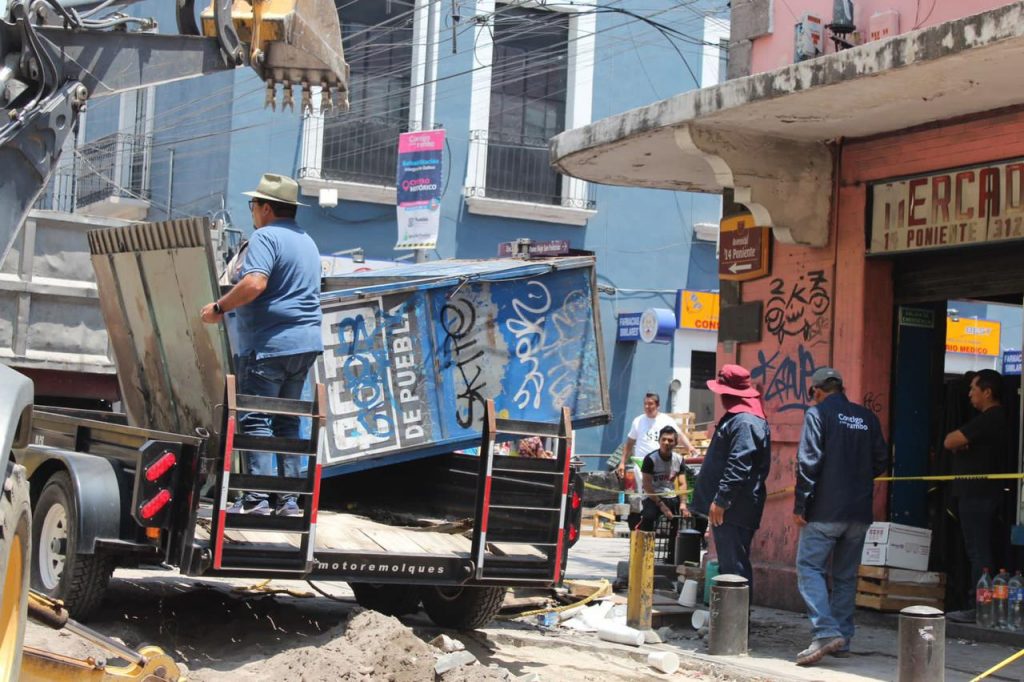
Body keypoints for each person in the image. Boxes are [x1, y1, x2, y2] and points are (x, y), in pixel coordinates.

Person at [201, 173, 323, 517]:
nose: (252, 210)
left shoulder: (265, 238)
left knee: (255, 419)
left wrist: (219, 308)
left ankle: (255, 499)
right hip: (305, 344)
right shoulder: (307, 241)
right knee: (287, 420)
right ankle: (287, 502)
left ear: (267, 208)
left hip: (270, 345)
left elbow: (254, 283)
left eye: (253, 205)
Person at [792, 367, 888, 666]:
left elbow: (808, 463)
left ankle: (824, 631)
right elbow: (882, 460)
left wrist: (800, 505)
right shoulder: (866, 417)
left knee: (809, 568)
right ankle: (842, 638)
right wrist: (857, 480)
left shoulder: (818, 414)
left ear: (817, 390)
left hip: (825, 510)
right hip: (858, 512)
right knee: (846, 577)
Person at [692, 365, 771, 599]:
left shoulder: (745, 422)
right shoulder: (741, 419)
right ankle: (732, 626)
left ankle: (735, 629)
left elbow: (739, 463)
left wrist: (722, 500)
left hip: (734, 507)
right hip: (735, 505)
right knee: (732, 565)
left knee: (734, 567)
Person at [943, 368, 1006, 623]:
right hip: (980, 495)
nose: (969, 394)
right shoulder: (990, 419)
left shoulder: (992, 418)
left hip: (979, 496)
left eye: (973, 389)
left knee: (978, 551)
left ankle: (979, 606)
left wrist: (962, 444)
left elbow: (950, 441)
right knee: (979, 548)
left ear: (987, 392)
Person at [616, 393, 696, 479]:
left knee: (660, 490)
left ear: (658, 405)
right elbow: (629, 444)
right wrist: (622, 463)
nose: (647, 406)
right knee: (643, 490)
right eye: (645, 404)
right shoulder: (638, 421)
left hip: (661, 465)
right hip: (642, 464)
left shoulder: (666, 420)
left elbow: (679, 435)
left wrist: (690, 448)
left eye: (650, 404)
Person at [637, 426, 690, 531]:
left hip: (670, 495)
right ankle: (645, 543)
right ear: (659, 441)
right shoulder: (650, 459)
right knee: (649, 517)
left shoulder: (678, 459)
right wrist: (661, 505)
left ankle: (673, 546)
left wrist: (683, 503)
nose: (666, 443)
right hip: (653, 496)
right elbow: (647, 486)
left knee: (679, 521)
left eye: (670, 440)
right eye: (663, 439)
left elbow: (682, 484)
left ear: (675, 443)